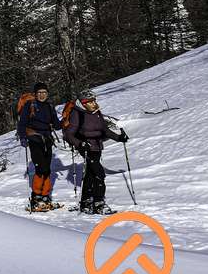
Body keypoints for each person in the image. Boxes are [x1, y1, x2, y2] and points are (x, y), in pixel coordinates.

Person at [62, 89, 128, 215]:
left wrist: (119, 138)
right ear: (83, 103)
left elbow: (105, 130)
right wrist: (80, 144)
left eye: (94, 101)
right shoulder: (77, 114)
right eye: (90, 102)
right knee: (99, 174)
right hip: (86, 148)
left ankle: (86, 202)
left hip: (97, 147)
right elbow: (69, 135)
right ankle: (99, 203)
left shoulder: (97, 113)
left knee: (90, 174)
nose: (93, 104)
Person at [18, 82, 63, 212]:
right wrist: (23, 137)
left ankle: (45, 196)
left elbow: (56, 124)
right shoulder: (29, 105)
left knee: (47, 169)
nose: (42, 95)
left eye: (44, 92)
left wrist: (66, 121)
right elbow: (22, 123)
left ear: (47, 93)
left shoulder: (49, 106)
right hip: (34, 138)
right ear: (35, 94)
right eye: (39, 93)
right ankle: (36, 197)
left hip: (47, 139)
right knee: (40, 167)